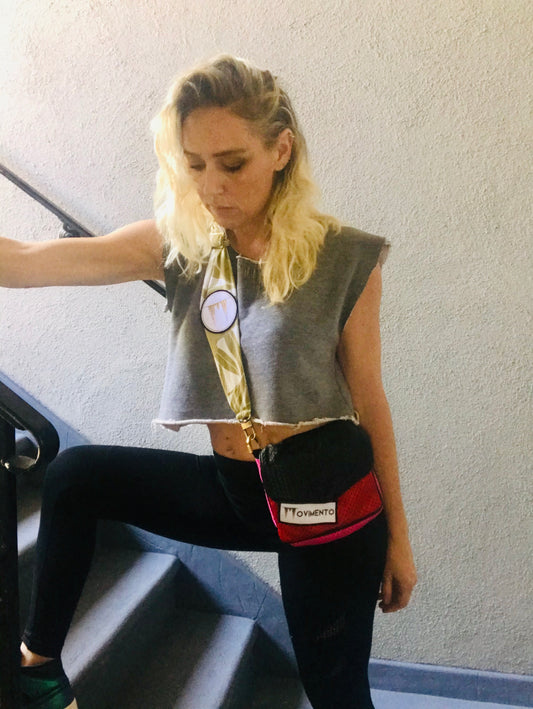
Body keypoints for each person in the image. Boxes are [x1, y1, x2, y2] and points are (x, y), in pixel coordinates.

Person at [1, 55, 417, 709]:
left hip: (326, 500)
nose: (212, 186)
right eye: (194, 165)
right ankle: (38, 666)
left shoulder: (344, 257)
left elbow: (370, 401)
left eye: (232, 163)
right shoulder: (181, 247)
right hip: (237, 490)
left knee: (335, 692)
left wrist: (398, 537)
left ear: (280, 150)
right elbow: (26, 261)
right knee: (76, 476)